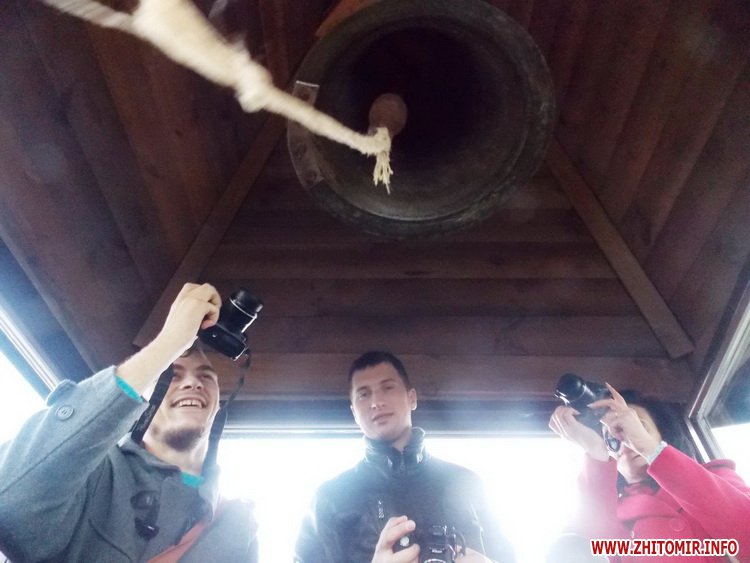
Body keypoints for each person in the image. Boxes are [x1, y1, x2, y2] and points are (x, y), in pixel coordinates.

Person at [0, 283, 258, 562]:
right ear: (142, 398)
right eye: (172, 376)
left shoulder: (236, 527)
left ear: (218, 404)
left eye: (206, 376)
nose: (193, 383)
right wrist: (167, 344)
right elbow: (10, 505)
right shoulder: (90, 475)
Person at [294, 351, 516, 563]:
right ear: (354, 412)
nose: (376, 402)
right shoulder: (330, 499)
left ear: (412, 398)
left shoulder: (466, 484)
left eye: (388, 388)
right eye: (364, 394)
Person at [549, 383, 750, 562]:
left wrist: (648, 448)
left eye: (635, 428)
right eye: (613, 440)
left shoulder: (716, 478)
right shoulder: (609, 514)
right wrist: (594, 451)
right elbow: (585, 552)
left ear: (663, 434)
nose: (625, 442)